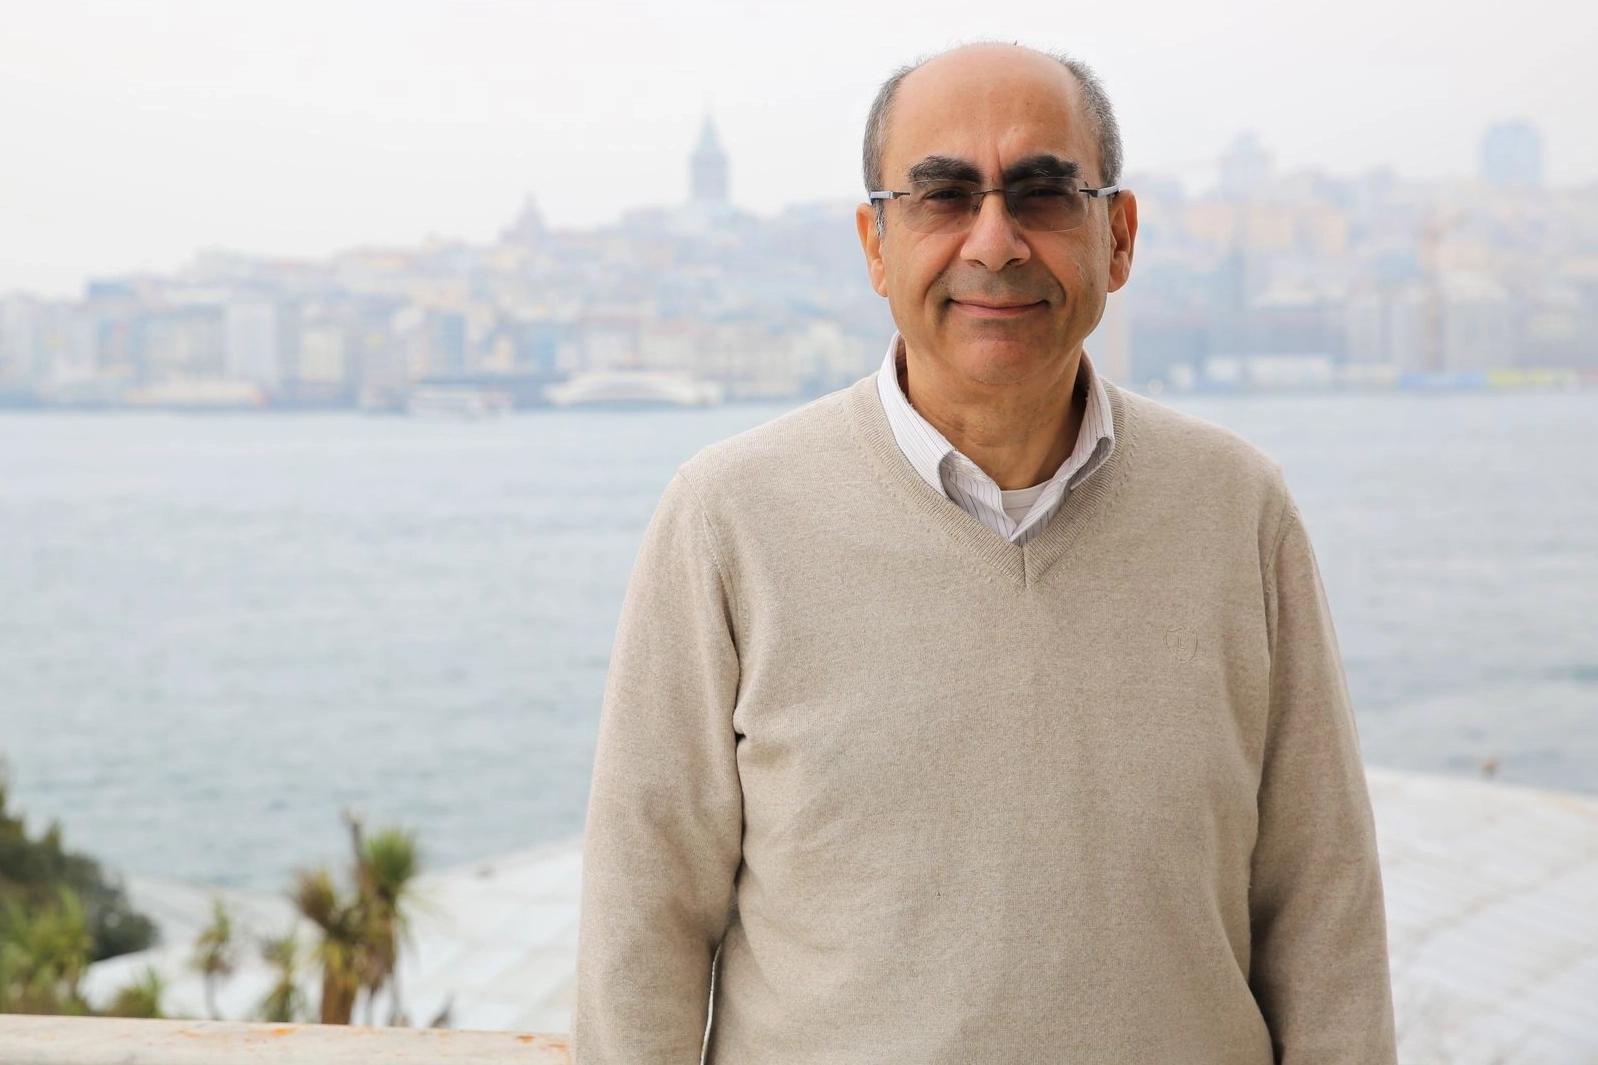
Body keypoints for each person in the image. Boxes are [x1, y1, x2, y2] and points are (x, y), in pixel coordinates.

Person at [574, 42, 1397, 1065]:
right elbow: (642, 922)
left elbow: (1322, 905)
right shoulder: (728, 518)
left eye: (1044, 194)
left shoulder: (1238, 509)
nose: (995, 242)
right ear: (876, 245)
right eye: (944, 197)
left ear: (1118, 237)